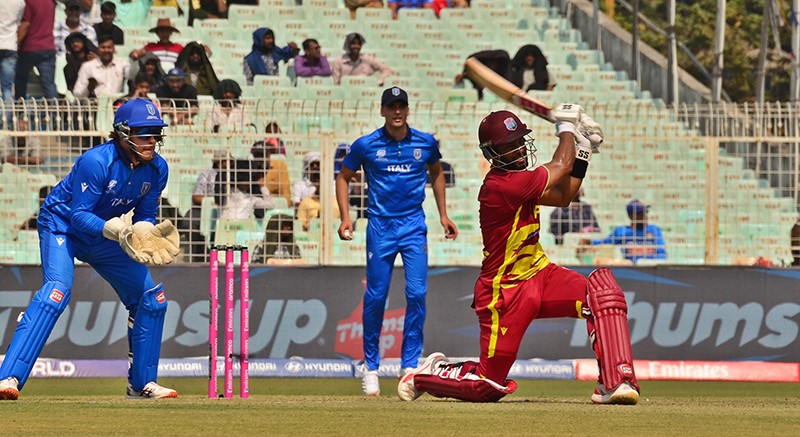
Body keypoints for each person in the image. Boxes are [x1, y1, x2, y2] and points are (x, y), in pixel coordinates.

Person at [395, 105, 641, 405]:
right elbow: (562, 165)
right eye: (509, 147)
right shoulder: (502, 186)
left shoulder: (521, 182)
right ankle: (429, 373)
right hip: (505, 292)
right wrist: (566, 127)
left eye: (519, 141)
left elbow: (564, 197)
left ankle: (615, 382)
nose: (520, 150)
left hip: (541, 274)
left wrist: (585, 148)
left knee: (602, 294)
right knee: (487, 386)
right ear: (493, 154)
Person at [0, 98, 181, 401]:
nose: (152, 141)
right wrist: (117, 229)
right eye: (144, 134)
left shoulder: (157, 169)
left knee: (152, 300)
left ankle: (141, 385)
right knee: (56, 292)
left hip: (104, 233)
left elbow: (145, 215)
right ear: (123, 133)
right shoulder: (96, 161)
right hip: (63, 225)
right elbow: (78, 214)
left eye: (156, 134)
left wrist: (145, 231)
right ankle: (9, 377)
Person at [335, 86, 458, 397]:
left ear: (408, 109)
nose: (397, 111)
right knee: (376, 298)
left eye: (402, 105)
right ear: (383, 111)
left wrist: (444, 215)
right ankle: (371, 368)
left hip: (414, 225)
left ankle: (408, 365)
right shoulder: (366, 145)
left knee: (417, 293)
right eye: (392, 106)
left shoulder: (425, 142)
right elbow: (343, 177)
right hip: (380, 226)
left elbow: (437, 174)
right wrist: (345, 217)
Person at [581, 199, 667, 263]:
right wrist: (590, 241)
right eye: (640, 213)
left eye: (645, 212)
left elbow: (662, 253)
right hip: (629, 269)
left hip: (651, 269)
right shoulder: (622, 231)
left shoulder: (654, 230)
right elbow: (606, 242)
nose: (644, 215)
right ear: (630, 216)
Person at [180, 150, 228, 262]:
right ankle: (198, 254)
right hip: (206, 208)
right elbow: (196, 196)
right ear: (219, 162)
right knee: (190, 220)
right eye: (226, 161)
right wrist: (210, 202)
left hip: (227, 209)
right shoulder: (207, 174)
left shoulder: (233, 174)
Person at [15, 0, 58, 100]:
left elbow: (26, 24)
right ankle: (54, 113)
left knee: (21, 79)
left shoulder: (30, 2)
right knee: (48, 83)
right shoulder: (50, 2)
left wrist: (16, 43)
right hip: (48, 46)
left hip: (30, 46)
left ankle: (20, 109)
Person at [0, 0, 24, 105]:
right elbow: (19, 22)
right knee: (7, 86)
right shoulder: (20, 2)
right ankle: (8, 117)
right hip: (10, 45)